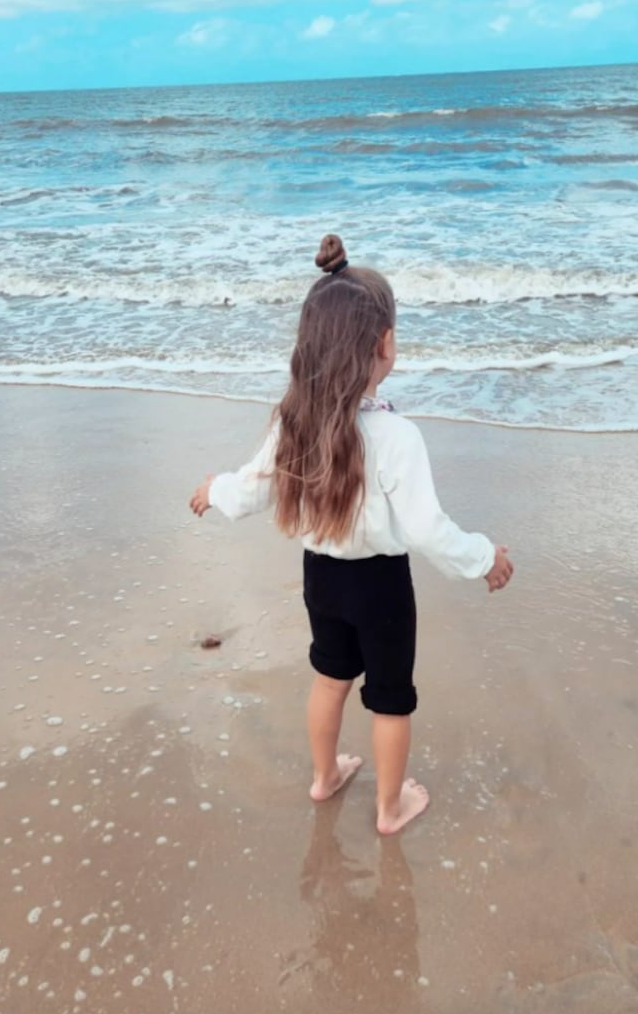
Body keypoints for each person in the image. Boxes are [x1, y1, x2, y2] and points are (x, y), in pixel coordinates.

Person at [190, 234, 514, 834]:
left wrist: (215, 493)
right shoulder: (397, 437)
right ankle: (390, 810)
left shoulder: (294, 421)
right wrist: (483, 558)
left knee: (331, 677)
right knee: (390, 697)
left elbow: (254, 486)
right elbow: (426, 528)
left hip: (322, 579)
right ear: (384, 344)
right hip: (381, 587)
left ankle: (324, 776)